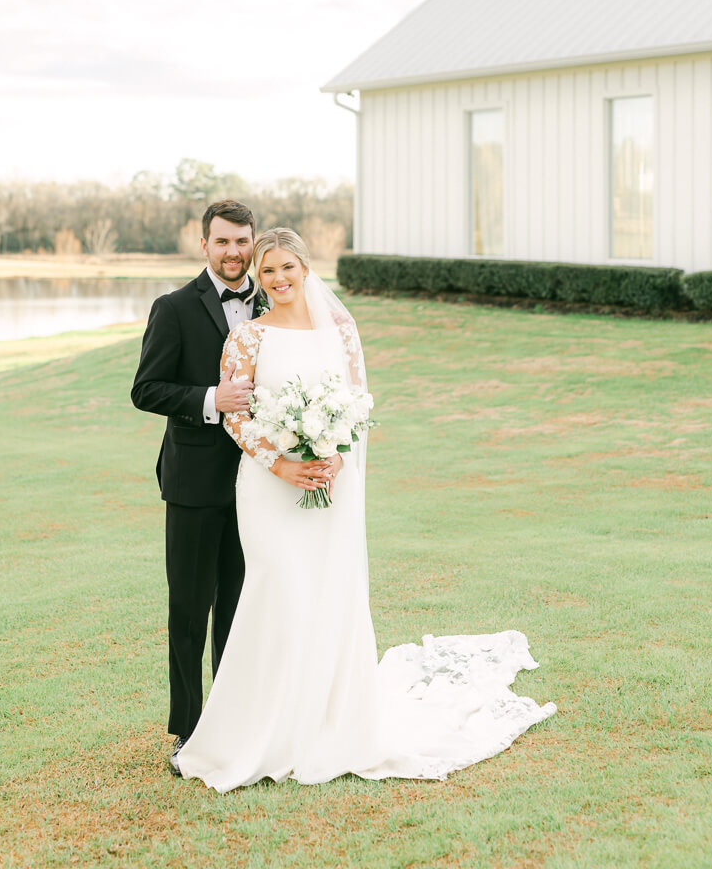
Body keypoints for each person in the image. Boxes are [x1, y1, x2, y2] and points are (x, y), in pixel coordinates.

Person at [173, 227, 556, 790]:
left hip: (333, 482)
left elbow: (354, 404)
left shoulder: (342, 330)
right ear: (258, 274)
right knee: (277, 592)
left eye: (288, 268)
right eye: (268, 270)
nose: (278, 279)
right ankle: (263, 729)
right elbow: (237, 417)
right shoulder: (247, 340)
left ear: (306, 268)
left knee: (331, 592)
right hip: (268, 486)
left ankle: (331, 723)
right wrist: (283, 464)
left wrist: (331, 454)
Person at [131, 199, 266, 770]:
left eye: (242, 242)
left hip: (261, 485)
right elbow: (147, 389)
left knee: (242, 606)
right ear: (204, 244)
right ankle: (189, 729)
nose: (233, 252)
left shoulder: (276, 301)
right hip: (193, 483)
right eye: (223, 242)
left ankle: (238, 719)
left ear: (253, 243)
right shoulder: (174, 307)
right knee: (190, 608)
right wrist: (212, 400)